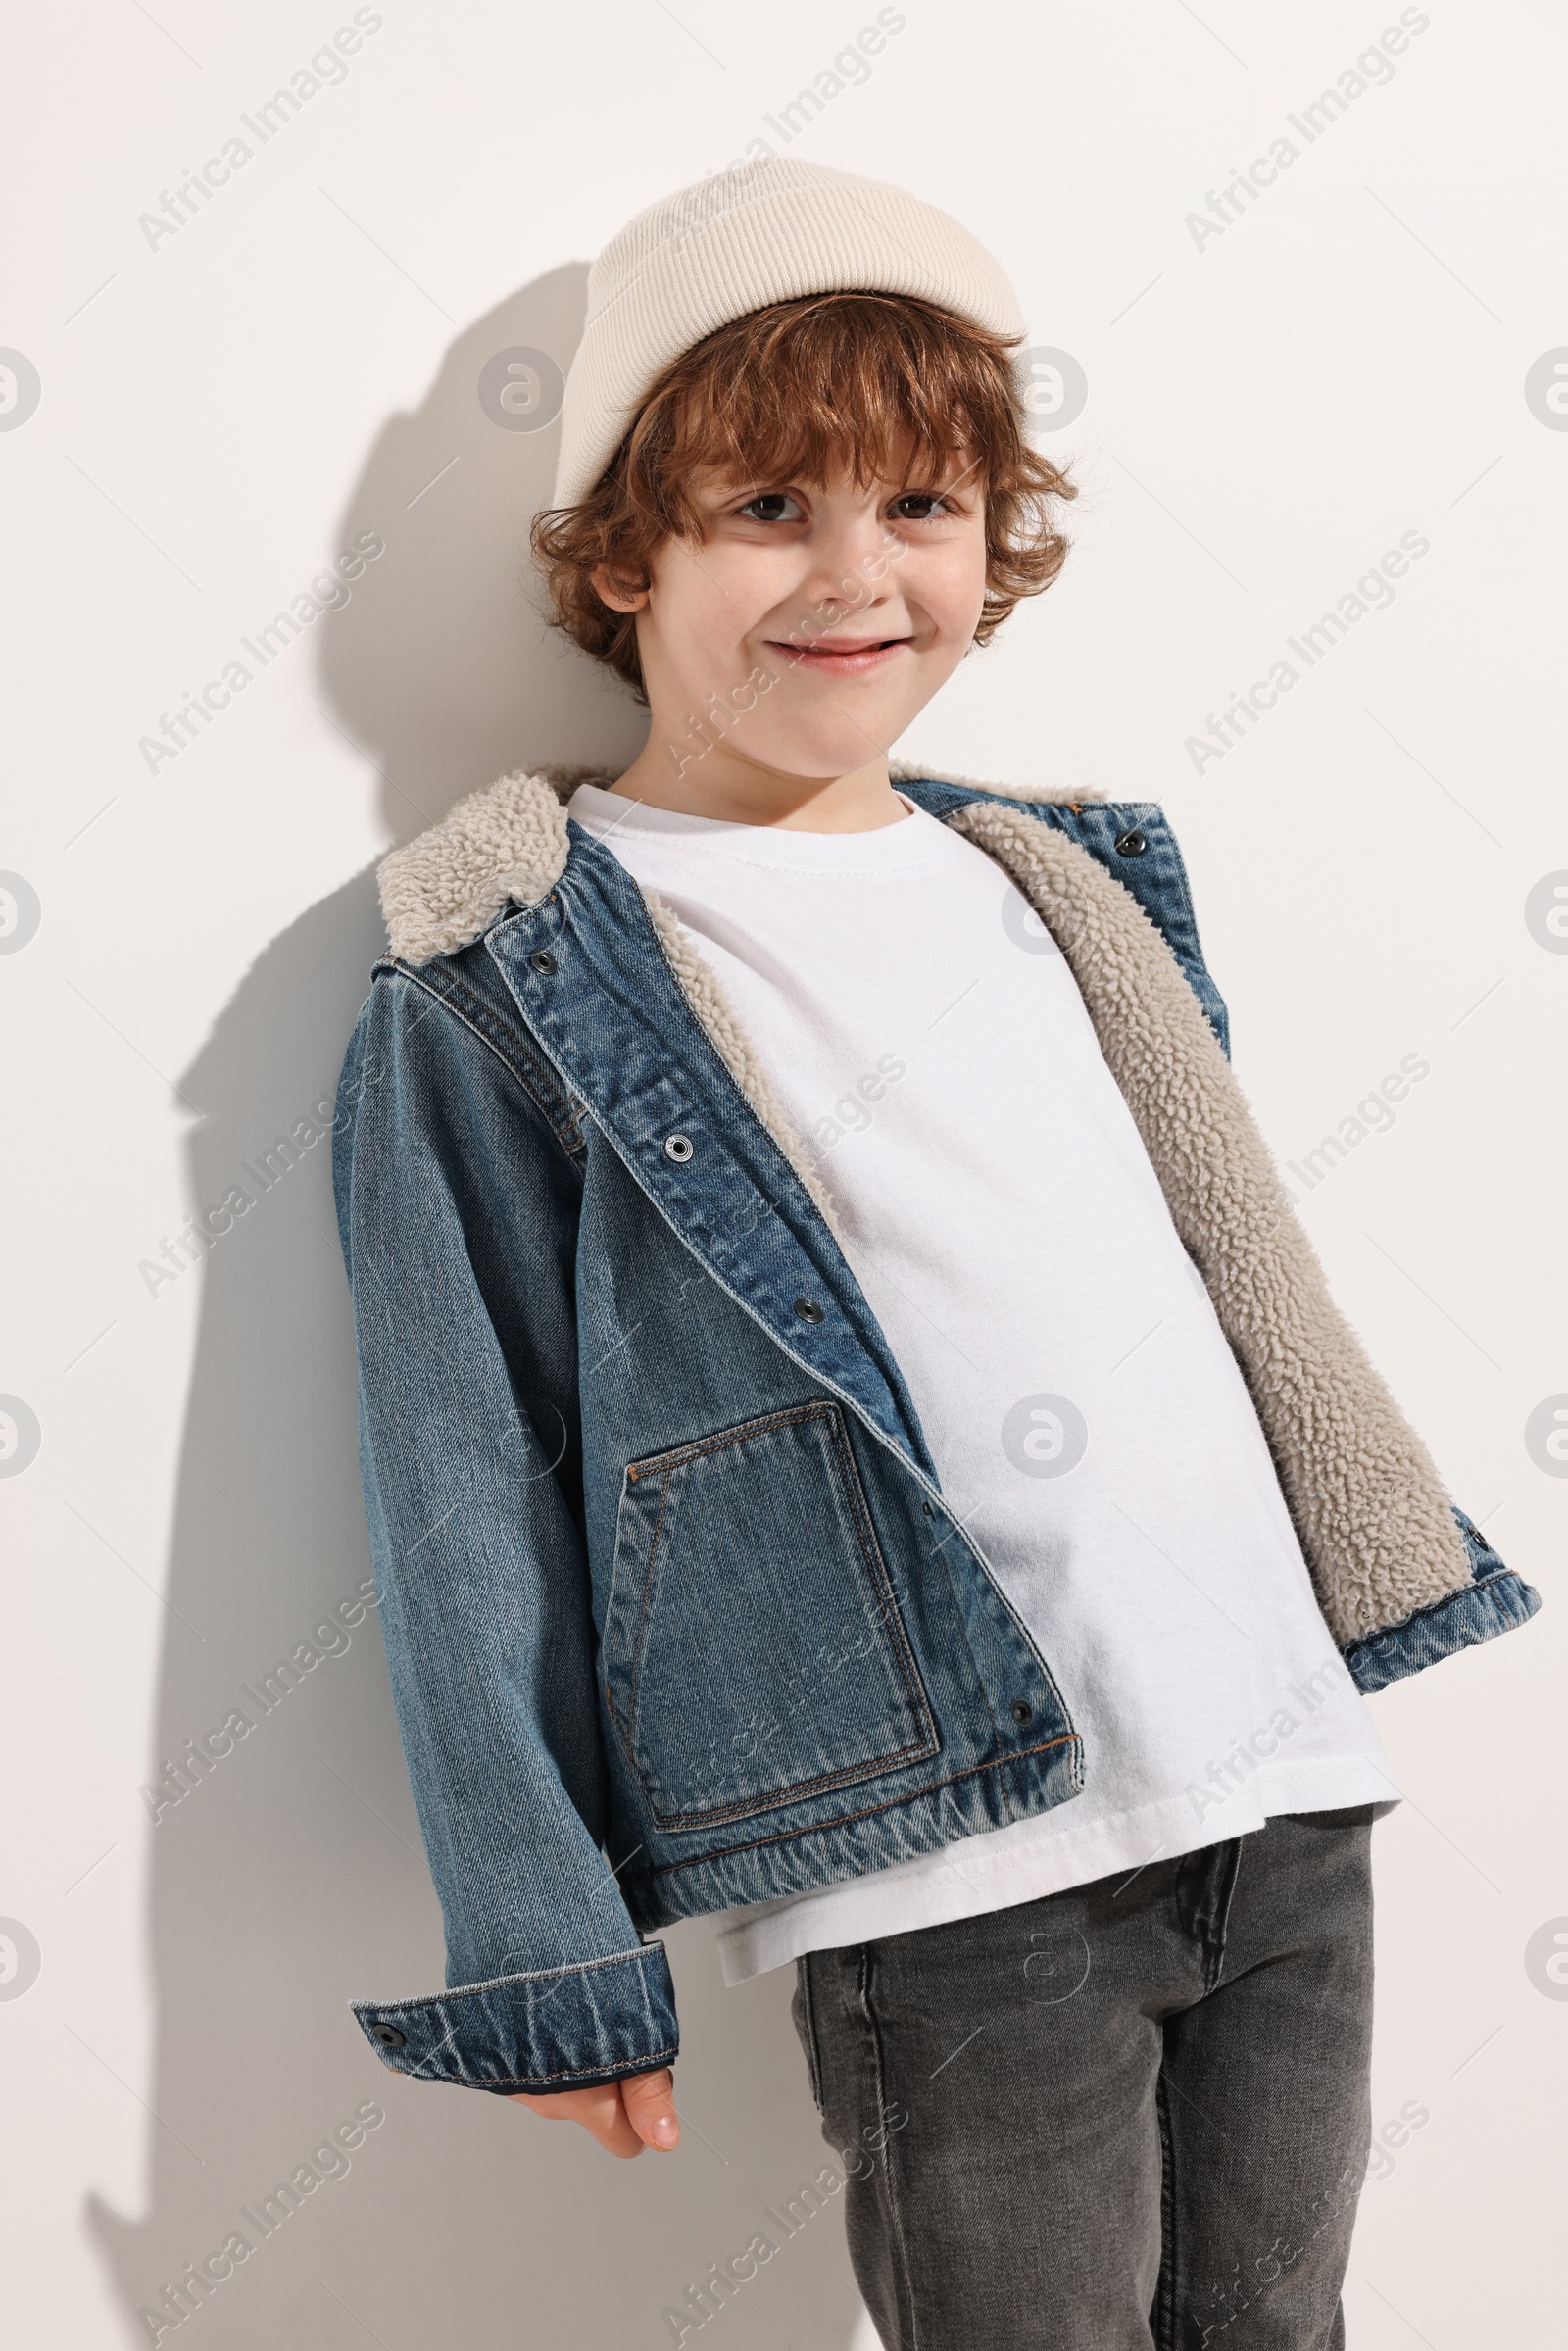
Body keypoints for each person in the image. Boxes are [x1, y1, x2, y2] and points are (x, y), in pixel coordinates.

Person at [332, 159, 1539, 2349]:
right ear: (625, 550)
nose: (854, 578)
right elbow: (457, 1500)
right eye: (764, 511)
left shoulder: (1057, 889)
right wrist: (548, 1943)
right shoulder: (512, 982)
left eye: (920, 508)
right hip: (948, 1859)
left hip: (1274, 1778)